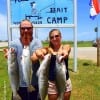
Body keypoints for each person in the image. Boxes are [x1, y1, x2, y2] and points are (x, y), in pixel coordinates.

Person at [4, 19, 42, 100]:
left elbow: (37, 55)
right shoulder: (13, 43)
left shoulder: (37, 42)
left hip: (33, 83)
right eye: (23, 28)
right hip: (18, 84)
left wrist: (37, 56)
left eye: (28, 28)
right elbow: (12, 55)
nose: (25, 30)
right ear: (19, 29)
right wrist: (9, 55)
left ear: (32, 29)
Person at [31, 29, 72, 100]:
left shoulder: (64, 47)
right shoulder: (47, 50)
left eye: (57, 36)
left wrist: (65, 51)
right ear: (50, 39)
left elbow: (67, 48)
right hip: (51, 84)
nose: (54, 38)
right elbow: (33, 58)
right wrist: (37, 52)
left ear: (61, 37)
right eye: (52, 37)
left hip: (64, 81)